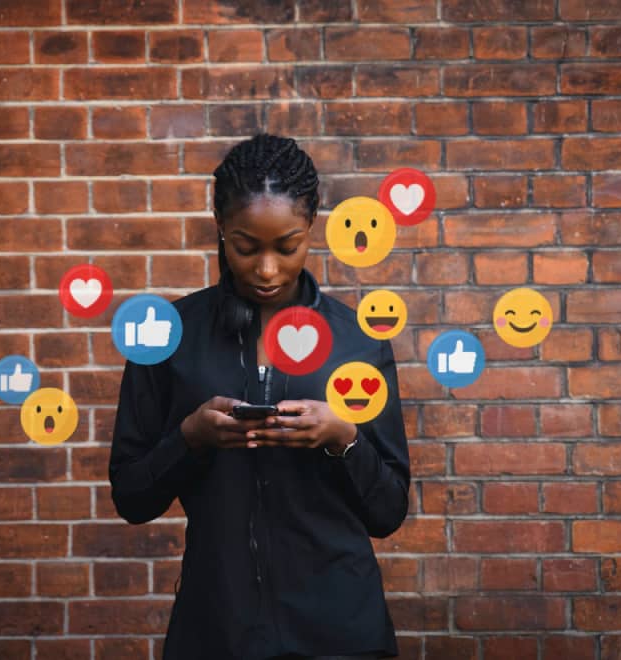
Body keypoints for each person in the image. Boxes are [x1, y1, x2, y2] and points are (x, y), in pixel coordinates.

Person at [109, 134, 411, 660]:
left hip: (340, 632)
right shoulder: (166, 337)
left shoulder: (360, 340)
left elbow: (388, 511)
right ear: (221, 230)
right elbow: (132, 496)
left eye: (287, 246)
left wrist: (342, 437)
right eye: (246, 247)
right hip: (218, 630)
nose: (267, 269)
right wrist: (190, 437)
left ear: (311, 228)